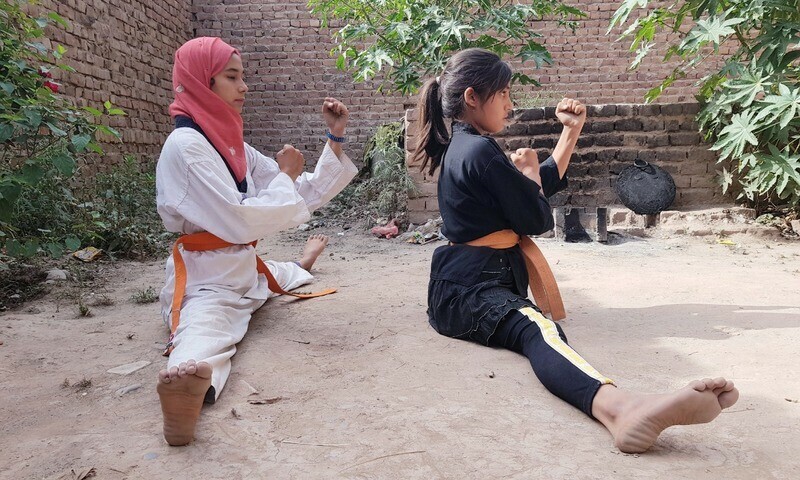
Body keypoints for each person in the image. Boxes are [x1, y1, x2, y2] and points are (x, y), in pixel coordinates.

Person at [417, 48, 739, 453]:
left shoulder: (464, 148)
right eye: (504, 94)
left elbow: (534, 189)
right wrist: (531, 174)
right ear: (472, 97)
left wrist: (570, 132)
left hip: (456, 287)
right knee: (540, 330)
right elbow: (537, 219)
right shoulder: (480, 151)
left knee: (535, 328)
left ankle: (623, 409)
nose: (510, 105)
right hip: (472, 290)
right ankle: (620, 410)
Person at [154, 37, 358, 446]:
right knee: (208, 328)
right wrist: (284, 175)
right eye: (232, 77)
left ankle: (302, 263)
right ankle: (186, 385)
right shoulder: (186, 146)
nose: (244, 86)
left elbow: (302, 193)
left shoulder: (230, 145)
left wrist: (333, 137)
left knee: (282, 274)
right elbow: (241, 220)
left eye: (242, 76)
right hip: (206, 277)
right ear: (199, 83)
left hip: (243, 266)